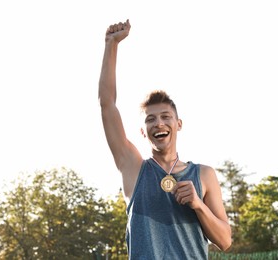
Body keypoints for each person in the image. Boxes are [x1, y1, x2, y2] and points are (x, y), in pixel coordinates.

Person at [99, 19, 232, 259]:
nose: (158, 123)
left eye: (165, 117)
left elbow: (225, 241)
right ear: (143, 131)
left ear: (178, 124)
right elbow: (107, 105)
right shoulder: (133, 168)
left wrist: (198, 205)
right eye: (150, 119)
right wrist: (111, 44)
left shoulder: (204, 175)